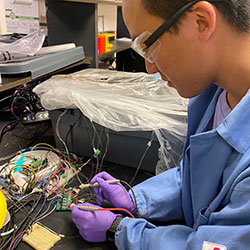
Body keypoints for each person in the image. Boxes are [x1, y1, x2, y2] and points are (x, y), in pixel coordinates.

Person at [71, 0, 250, 249]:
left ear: (201, 21)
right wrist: (138, 200)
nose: (149, 67)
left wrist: (120, 230)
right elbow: (199, 178)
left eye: (148, 45)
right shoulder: (216, 95)